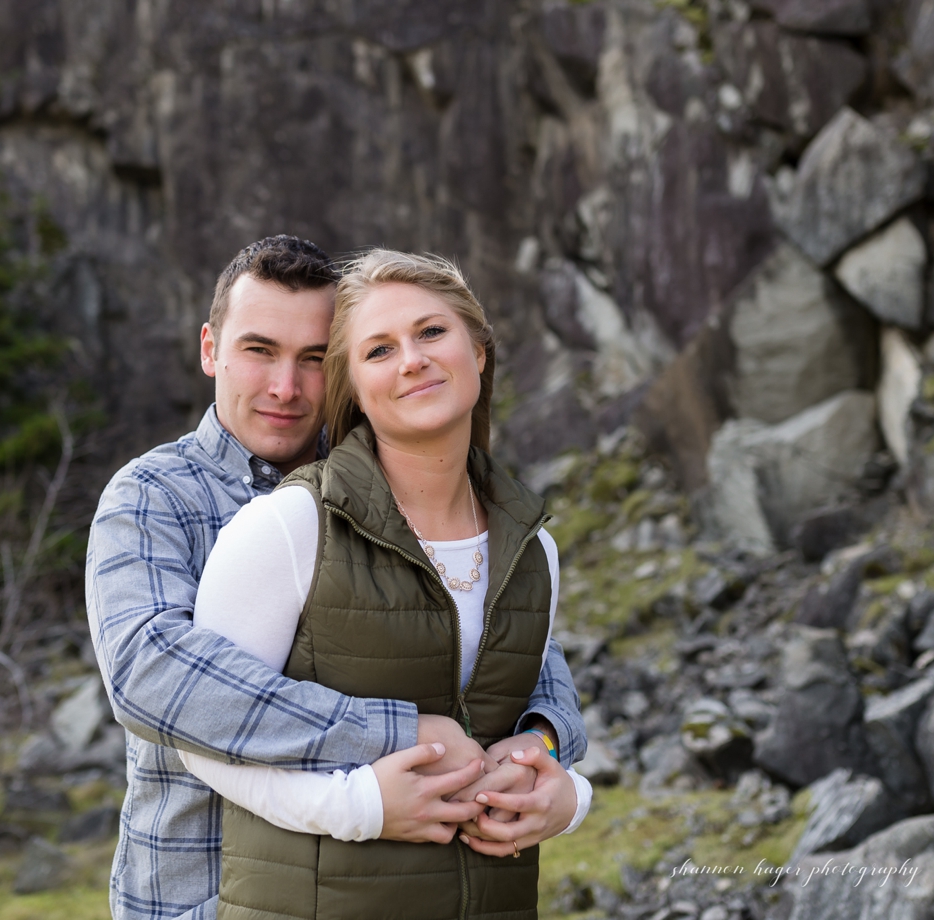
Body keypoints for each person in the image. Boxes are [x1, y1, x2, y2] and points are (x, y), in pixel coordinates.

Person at [84, 236, 587, 920]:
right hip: (192, 891)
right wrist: (398, 733)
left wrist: (544, 740)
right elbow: (152, 678)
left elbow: (516, 641)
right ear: (210, 350)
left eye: (315, 360)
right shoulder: (153, 495)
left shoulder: (391, 481)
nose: (286, 388)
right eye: (260, 351)